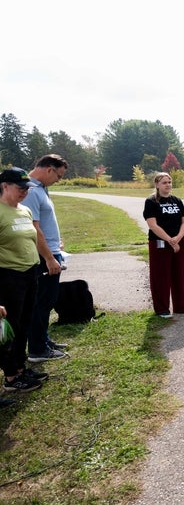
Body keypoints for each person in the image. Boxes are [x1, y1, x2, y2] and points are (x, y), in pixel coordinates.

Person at [0, 168, 49, 393]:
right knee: (12, 327)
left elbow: (32, 239)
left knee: (25, 324)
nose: (25, 192)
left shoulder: (24, 211)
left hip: (30, 274)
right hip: (9, 277)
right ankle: (10, 377)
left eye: (27, 188)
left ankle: (20, 368)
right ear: (4, 186)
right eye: (21, 188)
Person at [26, 154, 69, 362]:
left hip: (52, 250)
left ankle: (43, 339)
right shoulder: (31, 191)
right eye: (58, 176)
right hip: (45, 256)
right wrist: (50, 257)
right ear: (49, 169)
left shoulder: (42, 188)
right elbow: (34, 229)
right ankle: (37, 349)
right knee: (41, 302)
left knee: (48, 300)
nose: (58, 180)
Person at [143, 172, 184, 318]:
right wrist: (170, 240)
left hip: (179, 242)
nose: (168, 185)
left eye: (169, 182)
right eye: (164, 182)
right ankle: (162, 308)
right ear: (157, 184)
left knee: (179, 274)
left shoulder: (177, 200)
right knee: (161, 276)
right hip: (160, 243)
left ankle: (181, 305)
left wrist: (178, 238)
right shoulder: (151, 201)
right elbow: (152, 225)